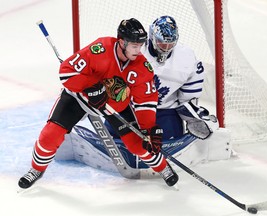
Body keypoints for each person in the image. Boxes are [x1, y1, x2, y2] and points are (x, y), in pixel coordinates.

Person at [18, 18, 179, 189]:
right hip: (78, 99)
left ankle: (163, 168)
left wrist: (148, 129)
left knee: (140, 144)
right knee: (50, 136)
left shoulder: (142, 67)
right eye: (134, 45)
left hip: (115, 107)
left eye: (140, 45)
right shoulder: (100, 49)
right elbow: (66, 72)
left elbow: (146, 101)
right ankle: (36, 170)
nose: (138, 50)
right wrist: (89, 86)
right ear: (121, 42)